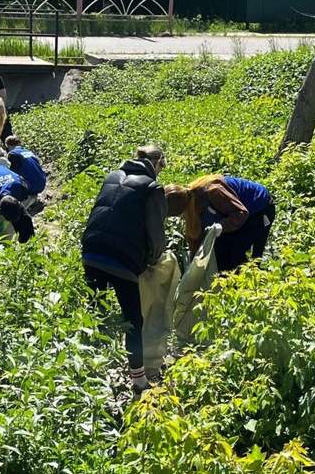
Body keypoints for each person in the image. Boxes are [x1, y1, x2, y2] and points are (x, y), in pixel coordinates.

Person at [81, 145, 167, 397]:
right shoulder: (152, 188)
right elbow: (156, 237)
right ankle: (138, 380)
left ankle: (86, 370)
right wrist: (151, 261)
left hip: (91, 251)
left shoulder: (111, 176)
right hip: (122, 260)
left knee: (94, 313)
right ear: (156, 162)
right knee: (132, 320)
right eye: (162, 164)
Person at [166, 174, 275, 272]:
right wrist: (192, 268)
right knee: (221, 256)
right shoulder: (190, 207)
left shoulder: (213, 191)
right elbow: (195, 239)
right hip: (232, 216)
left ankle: (248, 287)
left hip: (259, 209)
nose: (184, 217)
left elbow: (241, 213)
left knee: (240, 258)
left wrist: (221, 226)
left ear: (183, 206)